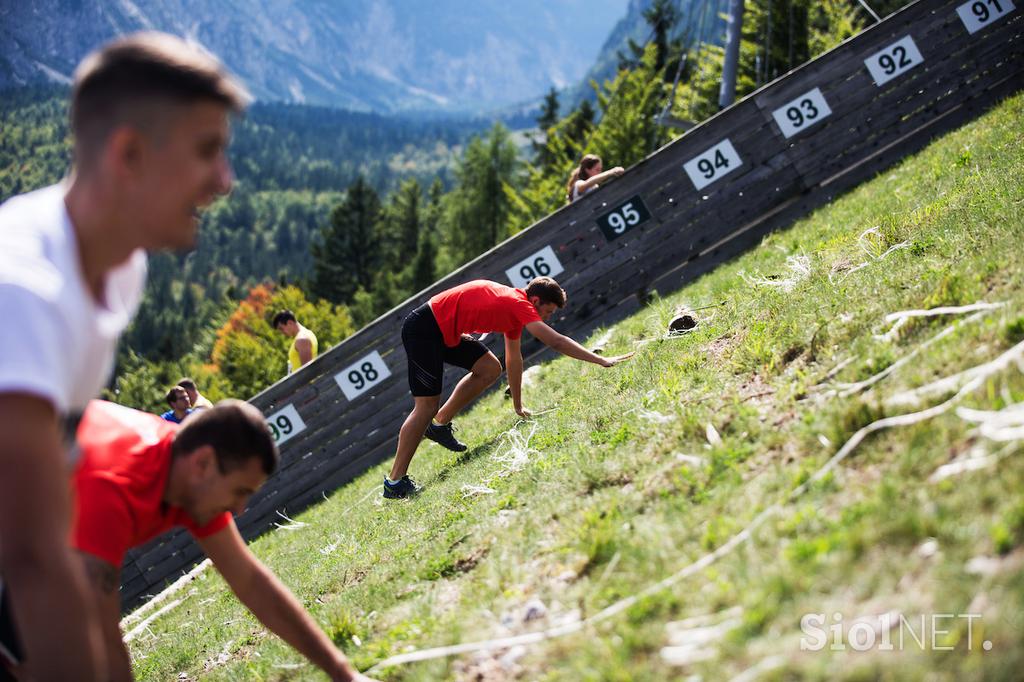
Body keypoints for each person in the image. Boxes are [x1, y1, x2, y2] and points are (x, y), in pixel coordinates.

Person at [0, 31, 248, 681]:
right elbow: (32, 558)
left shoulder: (119, 268)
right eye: (207, 153)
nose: (226, 181)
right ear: (129, 154)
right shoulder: (23, 293)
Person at [0, 399, 376, 681]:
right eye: (239, 491)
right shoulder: (111, 488)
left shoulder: (185, 468)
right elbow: (104, 641)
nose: (240, 510)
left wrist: (344, 673)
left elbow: (250, 580)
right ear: (204, 464)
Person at [383, 277, 633, 499]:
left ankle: (439, 426)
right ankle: (395, 482)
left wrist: (517, 404)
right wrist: (599, 360)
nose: (546, 318)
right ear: (534, 300)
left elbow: (514, 358)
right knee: (425, 406)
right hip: (424, 330)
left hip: (442, 328)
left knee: (490, 368)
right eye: (547, 312)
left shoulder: (514, 310)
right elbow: (555, 341)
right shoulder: (518, 304)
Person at [273, 310, 319, 374]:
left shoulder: (302, 339)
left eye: (281, 328)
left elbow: (307, 372)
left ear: (290, 323)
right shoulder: (304, 335)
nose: (282, 332)